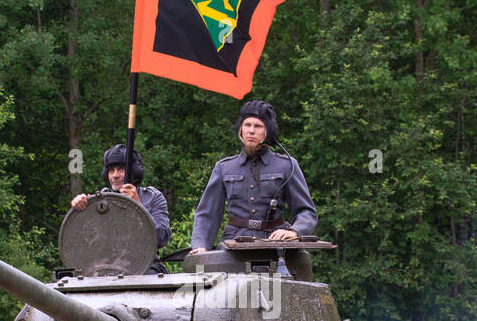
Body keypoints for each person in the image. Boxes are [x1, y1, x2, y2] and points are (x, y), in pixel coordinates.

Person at [188, 100, 316, 254]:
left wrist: (294, 231)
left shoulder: (287, 165)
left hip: (275, 244)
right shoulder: (224, 167)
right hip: (233, 245)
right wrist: (200, 245)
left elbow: (306, 212)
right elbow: (207, 213)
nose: (251, 131)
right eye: (247, 125)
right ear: (240, 129)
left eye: (258, 126)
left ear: (267, 131)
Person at [70, 144, 170, 272]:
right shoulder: (100, 201)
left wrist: (138, 206)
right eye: (111, 170)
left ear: (134, 171)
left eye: (121, 169)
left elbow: (162, 238)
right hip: (106, 268)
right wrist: (80, 207)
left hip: (145, 267)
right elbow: (79, 241)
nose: (115, 175)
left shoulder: (152, 197)